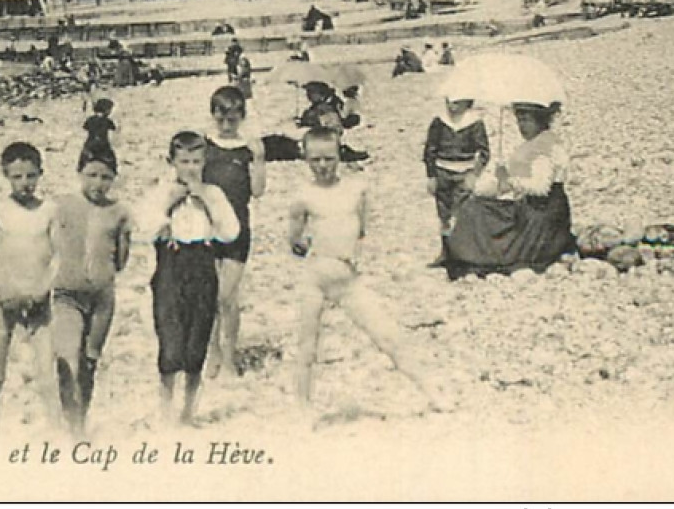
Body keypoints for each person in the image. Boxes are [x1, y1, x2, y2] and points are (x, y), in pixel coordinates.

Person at [288, 129, 446, 419]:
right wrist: (308, 244)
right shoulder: (302, 195)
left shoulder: (356, 189)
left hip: (348, 279)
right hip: (315, 277)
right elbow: (294, 239)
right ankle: (302, 408)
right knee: (307, 345)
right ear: (305, 158)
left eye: (329, 158)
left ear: (340, 155)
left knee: (387, 334)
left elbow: (361, 229)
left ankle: (432, 390)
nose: (322, 166)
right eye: (315, 160)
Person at [134, 131, 238, 425]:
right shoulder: (160, 191)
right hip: (171, 266)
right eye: (184, 161)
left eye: (196, 161)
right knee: (170, 340)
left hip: (202, 266)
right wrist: (167, 207)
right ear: (172, 162)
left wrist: (205, 199)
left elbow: (231, 231)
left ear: (204, 161)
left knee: (197, 340)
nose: (190, 168)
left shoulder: (213, 193)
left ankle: (188, 412)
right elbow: (143, 228)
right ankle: (165, 411)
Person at [47, 149, 133, 433]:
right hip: (66, 295)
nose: (98, 183)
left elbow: (121, 260)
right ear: (79, 174)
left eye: (106, 177)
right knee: (68, 355)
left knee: (90, 361)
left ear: (114, 179)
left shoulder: (119, 212)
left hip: (102, 298)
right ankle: (68, 419)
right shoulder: (62, 206)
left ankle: (79, 424)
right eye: (92, 175)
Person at [0, 142, 60, 428]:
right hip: (6, 298)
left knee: (46, 369)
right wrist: (1, 286)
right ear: (6, 176)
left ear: (40, 174)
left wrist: (44, 289)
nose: (25, 183)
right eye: (17, 177)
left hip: (40, 299)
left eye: (30, 176)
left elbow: (58, 256)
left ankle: (57, 427)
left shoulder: (49, 210)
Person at [443, 103, 574, 279]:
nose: (522, 125)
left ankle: (477, 258)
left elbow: (541, 188)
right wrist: (484, 190)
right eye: (519, 120)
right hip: (529, 207)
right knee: (475, 206)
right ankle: (465, 253)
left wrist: (508, 180)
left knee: (480, 213)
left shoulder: (546, 146)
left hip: (543, 214)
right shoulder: (532, 144)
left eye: (527, 120)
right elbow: (507, 186)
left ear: (541, 120)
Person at [203, 86, 265, 379]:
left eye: (233, 117)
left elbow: (258, 191)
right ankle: (213, 353)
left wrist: (260, 159)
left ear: (242, 116)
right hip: (207, 229)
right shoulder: (204, 147)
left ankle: (229, 357)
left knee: (228, 297)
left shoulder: (247, 149)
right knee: (211, 296)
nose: (227, 124)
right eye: (222, 117)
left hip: (238, 230)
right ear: (214, 115)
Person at [423, 95, 490, 262]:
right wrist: (431, 175)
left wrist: (474, 174)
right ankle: (446, 253)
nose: (451, 105)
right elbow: (429, 150)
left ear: (467, 102)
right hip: (442, 171)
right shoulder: (440, 122)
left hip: (464, 172)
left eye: (456, 102)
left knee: (461, 213)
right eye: (448, 101)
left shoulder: (474, 123)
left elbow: (484, 152)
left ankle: (463, 254)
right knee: (444, 214)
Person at [80, 98, 119, 170]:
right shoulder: (107, 121)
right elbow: (114, 130)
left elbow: (85, 128)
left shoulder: (90, 119)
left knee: (85, 159)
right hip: (103, 144)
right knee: (111, 162)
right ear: (106, 110)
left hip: (90, 143)